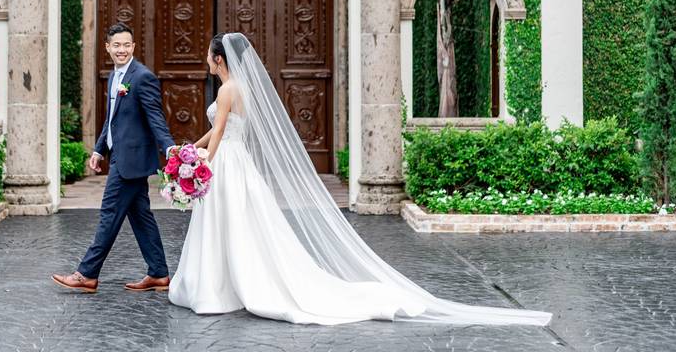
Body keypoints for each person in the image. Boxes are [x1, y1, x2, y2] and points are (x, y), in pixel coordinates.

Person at [167, 32, 552, 326]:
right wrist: (189, 149)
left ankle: (222, 287)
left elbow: (220, 134)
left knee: (233, 222)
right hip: (233, 161)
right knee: (238, 222)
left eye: (207, 54)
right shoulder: (240, 87)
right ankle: (227, 282)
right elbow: (218, 129)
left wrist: (202, 162)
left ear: (218, 59)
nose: (205, 58)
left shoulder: (229, 88)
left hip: (227, 162)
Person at [52, 22, 176, 293]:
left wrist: (170, 149)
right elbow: (112, 118)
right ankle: (158, 273)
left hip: (130, 162)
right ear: (107, 48)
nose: (121, 50)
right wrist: (99, 149)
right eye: (116, 45)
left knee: (109, 214)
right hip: (118, 156)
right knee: (141, 216)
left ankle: (86, 273)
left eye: (126, 45)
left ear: (133, 47)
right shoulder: (113, 77)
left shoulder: (142, 77)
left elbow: (156, 118)